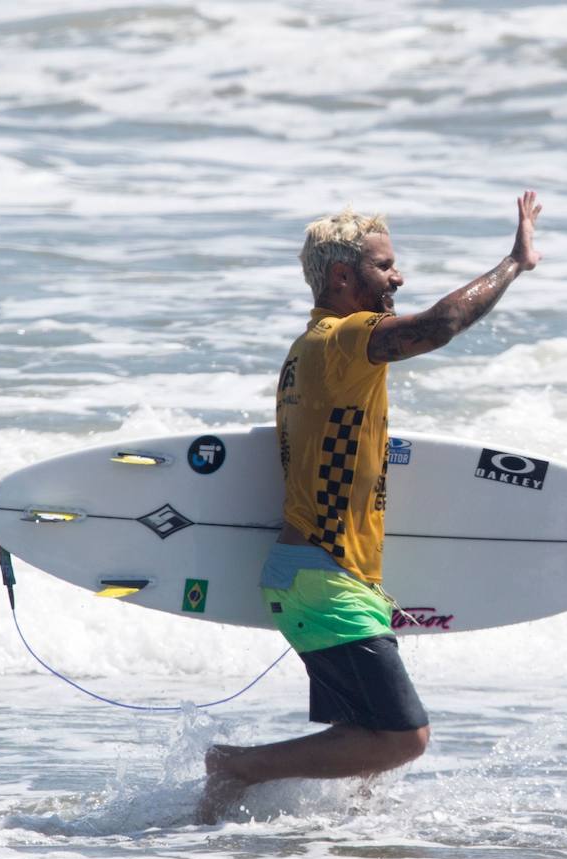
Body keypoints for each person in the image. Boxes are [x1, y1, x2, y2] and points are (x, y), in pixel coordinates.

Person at [198, 191, 543, 823]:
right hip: (324, 580)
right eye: (385, 266)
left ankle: (349, 857)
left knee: (365, 745)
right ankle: (234, 767)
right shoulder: (345, 340)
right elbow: (438, 325)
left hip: (324, 577)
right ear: (343, 277)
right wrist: (514, 263)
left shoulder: (307, 350)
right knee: (401, 739)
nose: (399, 276)